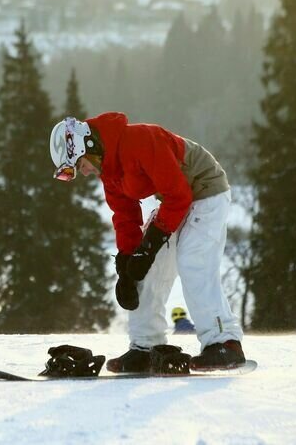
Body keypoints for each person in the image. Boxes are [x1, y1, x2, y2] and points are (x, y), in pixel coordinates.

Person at [49, 113, 245, 372]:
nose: (83, 173)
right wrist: (127, 265)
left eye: (80, 164)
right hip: (174, 200)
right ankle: (145, 346)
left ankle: (225, 343)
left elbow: (179, 195)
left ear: (88, 147)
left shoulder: (140, 140)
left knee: (192, 261)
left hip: (205, 189)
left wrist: (149, 247)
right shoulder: (108, 170)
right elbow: (124, 215)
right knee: (147, 271)